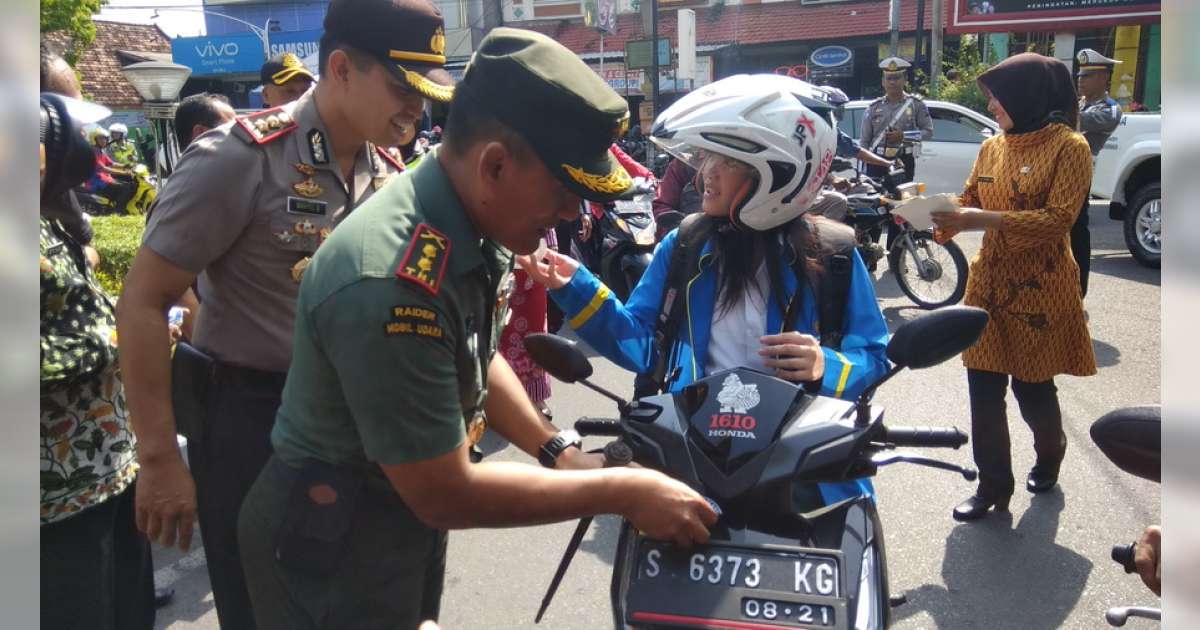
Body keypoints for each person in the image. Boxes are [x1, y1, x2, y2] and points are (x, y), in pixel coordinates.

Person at [236, 27, 716, 628]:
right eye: (567, 191)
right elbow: (445, 491)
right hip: (331, 539)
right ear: (494, 164)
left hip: (393, 513)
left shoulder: (466, 219)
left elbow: (471, 347)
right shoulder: (393, 281)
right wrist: (620, 490)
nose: (572, 214)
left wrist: (556, 449)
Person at [114, 0, 451, 626]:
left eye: (425, 90)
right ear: (343, 68)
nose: (418, 106)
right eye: (403, 87)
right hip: (253, 423)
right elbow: (142, 299)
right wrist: (159, 459)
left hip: (358, 428)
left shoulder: (389, 173)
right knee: (263, 607)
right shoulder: (240, 158)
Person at [521, 73, 891, 508]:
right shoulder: (686, 244)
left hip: (802, 466)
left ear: (780, 168)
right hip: (697, 459)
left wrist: (822, 364)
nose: (704, 175)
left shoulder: (834, 255)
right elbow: (642, 347)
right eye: (705, 157)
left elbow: (873, 357)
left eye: (725, 160)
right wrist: (574, 285)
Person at [929, 53, 1096, 521]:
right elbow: (969, 199)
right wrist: (937, 216)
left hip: (1041, 285)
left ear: (1027, 96)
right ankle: (992, 487)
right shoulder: (993, 147)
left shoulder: (1071, 147)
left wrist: (977, 219)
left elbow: (1058, 220)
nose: (993, 105)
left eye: (998, 97)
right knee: (982, 387)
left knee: (1032, 388)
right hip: (989, 284)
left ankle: (1051, 452)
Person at [40, 92, 160, 630]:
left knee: (125, 611)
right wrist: (119, 339)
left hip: (107, 465)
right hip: (49, 493)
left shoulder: (48, 216)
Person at [1073, 48, 1123, 299]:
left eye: (1088, 75)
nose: (1081, 80)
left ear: (1104, 78)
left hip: (1082, 175)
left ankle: (1077, 293)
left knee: (1076, 233)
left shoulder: (1110, 108)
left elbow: (1081, 121)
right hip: (1064, 171)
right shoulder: (1079, 103)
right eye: (1080, 75)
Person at [859, 57, 933, 184]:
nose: (892, 82)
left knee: (903, 200)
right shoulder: (873, 107)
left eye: (897, 78)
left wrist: (904, 136)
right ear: (883, 81)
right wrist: (862, 169)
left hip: (904, 160)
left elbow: (928, 132)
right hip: (876, 159)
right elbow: (864, 141)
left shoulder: (916, 104)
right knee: (875, 199)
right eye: (889, 78)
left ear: (905, 79)